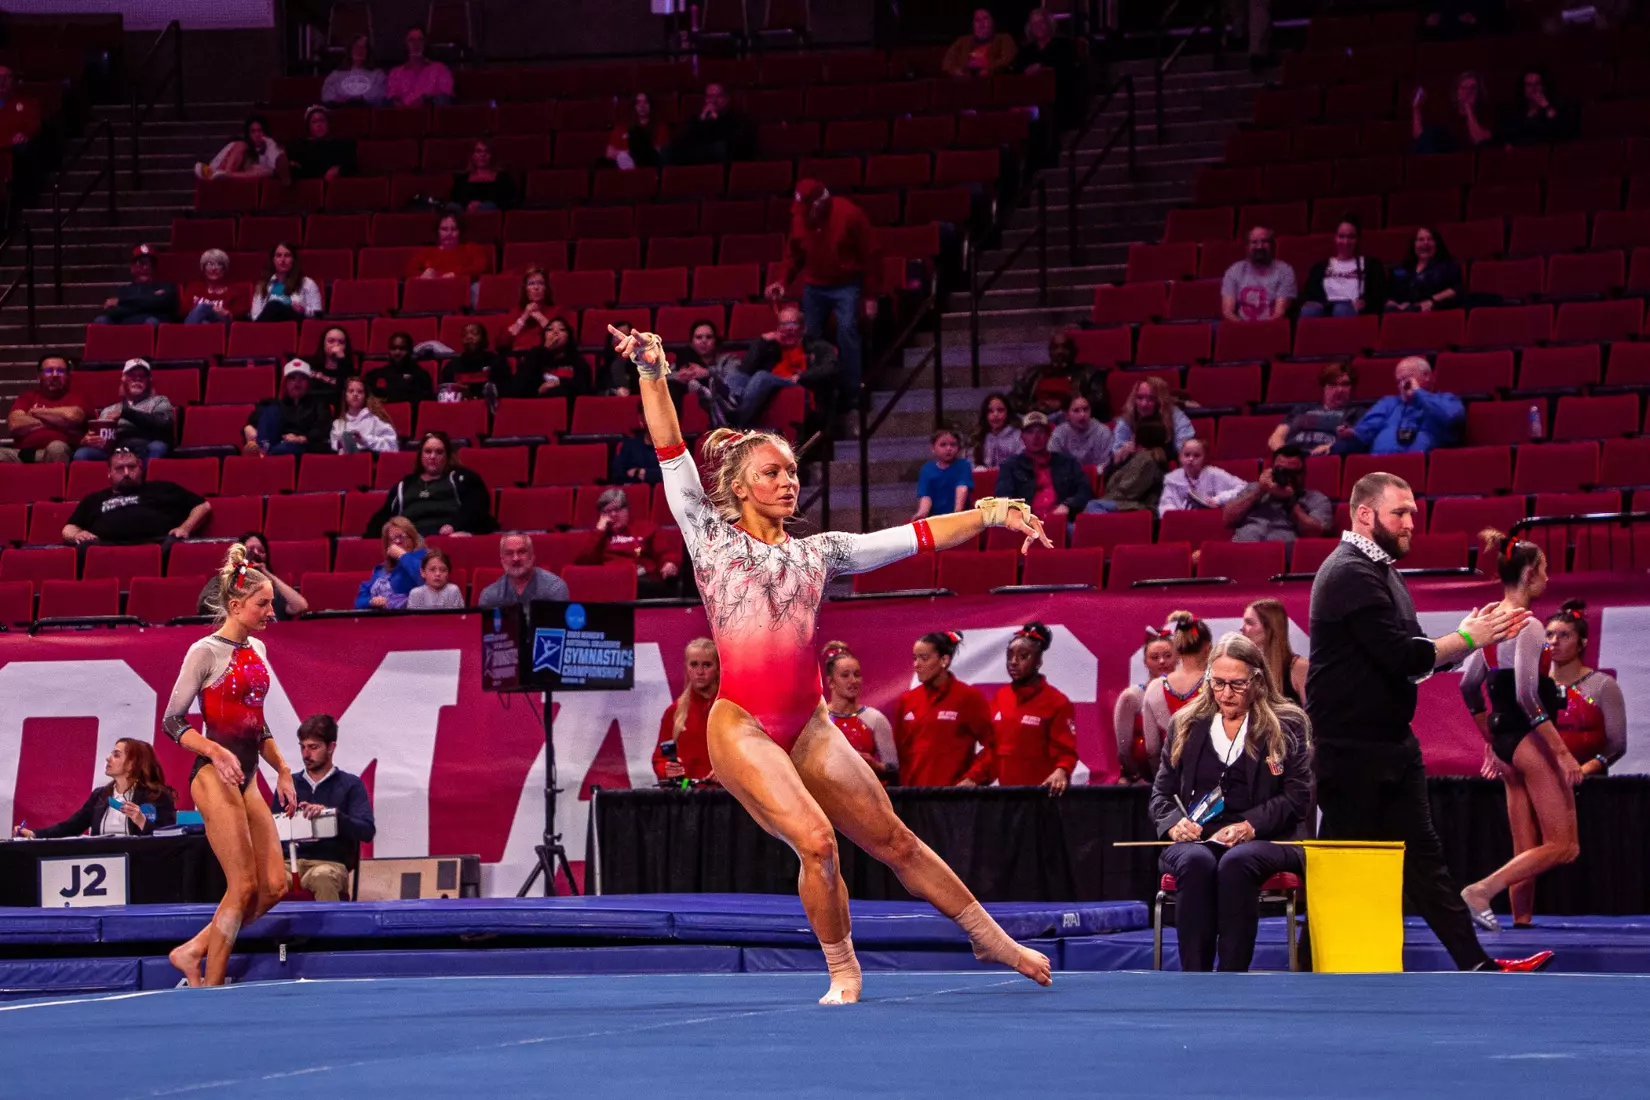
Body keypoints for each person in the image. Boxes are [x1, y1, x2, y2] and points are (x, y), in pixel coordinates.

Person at [622, 323, 1055, 1002]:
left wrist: (991, 512)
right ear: (740, 486)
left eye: (793, 472)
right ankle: (843, 970)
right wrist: (653, 370)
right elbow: (671, 448)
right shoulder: (707, 534)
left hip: (809, 723)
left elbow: (911, 537)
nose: (789, 481)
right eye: (774, 472)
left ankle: (988, 936)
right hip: (742, 726)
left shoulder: (817, 551)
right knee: (818, 843)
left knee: (896, 842)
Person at [1304, 471, 1552, 973]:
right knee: (1347, 865)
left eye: (1413, 512)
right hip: (1349, 751)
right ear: (1365, 515)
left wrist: (1464, 636)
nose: (1412, 522)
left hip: (1390, 743)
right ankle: (1322, 971)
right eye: (1401, 512)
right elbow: (1404, 655)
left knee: (1425, 862)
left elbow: (1416, 657)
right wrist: (1470, 638)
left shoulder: (1384, 571)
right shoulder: (1348, 572)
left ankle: (1476, 965)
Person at [161, 544, 297, 986]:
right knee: (242, 887)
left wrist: (282, 768)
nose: (270, 612)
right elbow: (172, 721)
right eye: (263, 604)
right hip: (213, 777)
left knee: (274, 886)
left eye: (271, 603)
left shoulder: (257, 647)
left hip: (248, 777)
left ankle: (193, 949)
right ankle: (211, 985)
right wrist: (215, 752)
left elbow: (256, 723)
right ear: (235, 606)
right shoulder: (204, 652)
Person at [1151, 633, 1311, 972]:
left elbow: (1297, 798)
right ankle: (1195, 979)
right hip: (1198, 839)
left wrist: (1250, 825)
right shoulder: (1186, 724)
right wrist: (1173, 823)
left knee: (1236, 862)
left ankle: (1231, 977)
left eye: (1237, 684)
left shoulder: (1287, 723)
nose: (1226, 693)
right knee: (1196, 862)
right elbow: (1161, 796)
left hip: (1269, 839)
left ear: (1257, 679)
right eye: (1218, 682)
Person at [1458, 531, 1580, 933]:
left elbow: (1468, 686)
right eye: (1544, 569)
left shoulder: (1492, 620)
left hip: (1506, 740)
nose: (1548, 577)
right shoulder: (1526, 625)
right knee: (1564, 846)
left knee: (1525, 843)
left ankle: (1521, 924)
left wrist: (1492, 741)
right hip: (1527, 738)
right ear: (1529, 573)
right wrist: (1561, 752)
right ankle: (1480, 890)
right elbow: (1527, 694)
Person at [766, 180, 879, 403]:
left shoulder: (850, 214)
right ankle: (815, 391)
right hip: (815, 284)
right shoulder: (800, 220)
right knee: (809, 335)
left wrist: (871, 295)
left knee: (847, 330)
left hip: (846, 283)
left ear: (820, 203)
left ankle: (852, 391)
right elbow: (795, 254)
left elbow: (871, 255)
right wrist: (782, 280)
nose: (803, 214)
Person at [960, 622, 1077, 794]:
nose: (1013, 662)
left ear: (1038, 661)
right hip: (1009, 799)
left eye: (1023, 657)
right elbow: (993, 751)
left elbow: (1066, 752)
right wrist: (972, 778)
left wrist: (1062, 771)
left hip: (1044, 799)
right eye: (1010, 656)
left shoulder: (1056, 702)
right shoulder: (1000, 698)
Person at [283, 715, 375, 902]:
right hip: (287, 863)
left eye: (313, 747)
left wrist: (331, 816)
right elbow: (269, 830)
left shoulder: (351, 785)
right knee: (264, 880)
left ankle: (330, 932)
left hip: (328, 863)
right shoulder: (288, 785)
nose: (306, 754)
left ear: (331, 747)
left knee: (323, 877)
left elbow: (366, 831)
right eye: (303, 747)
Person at [13, 738, 177, 838]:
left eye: (116, 755)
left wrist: (142, 822)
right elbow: (72, 826)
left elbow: (168, 838)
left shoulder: (156, 796)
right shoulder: (101, 795)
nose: (108, 758)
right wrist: (35, 834)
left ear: (133, 764)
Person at [894, 629, 994, 787]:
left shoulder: (967, 697)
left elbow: (993, 746)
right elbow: (900, 755)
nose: (916, 664)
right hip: (914, 799)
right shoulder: (907, 700)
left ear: (944, 660)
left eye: (924, 658)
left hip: (952, 799)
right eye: (915, 658)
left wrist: (973, 778)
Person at [62, 447, 209, 547]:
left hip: (159, 545)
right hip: (105, 550)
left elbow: (203, 506)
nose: (126, 473)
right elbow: (68, 529)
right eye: (120, 468)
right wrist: (78, 534)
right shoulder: (94, 499)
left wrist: (185, 528)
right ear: (109, 473)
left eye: (132, 467)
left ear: (141, 469)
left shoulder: (161, 488)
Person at [1546, 600, 1626, 778]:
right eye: (1549, 635)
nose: (1554, 642)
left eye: (1564, 636)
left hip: (1591, 784)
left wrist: (1584, 771)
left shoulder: (1603, 686)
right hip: (1545, 782)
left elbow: (1617, 744)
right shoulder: (1536, 684)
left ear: (1582, 643)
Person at [729, 301, 840, 428]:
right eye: (783, 324)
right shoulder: (771, 348)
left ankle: (733, 424)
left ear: (803, 328)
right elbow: (745, 369)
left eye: (793, 323)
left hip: (799, 384)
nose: (788, 328)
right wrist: (762, 341)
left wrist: (802, 376)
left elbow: (832, 367)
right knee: (734, 376)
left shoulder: (818, 347)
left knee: (762, 376)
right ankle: (730, 408)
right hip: (771, 387)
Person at [364, 430, 496, 537]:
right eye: (428, 451)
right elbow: (382, 518)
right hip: (412, 539)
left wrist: (456, 526)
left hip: (449, 537)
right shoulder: (405, 485)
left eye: (439, 452)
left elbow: (478, 510)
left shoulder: (462, 478)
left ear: (447, 455)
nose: (433, 456)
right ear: (420, 456)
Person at [1343, 356, 1463, 456]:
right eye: (1398, 381)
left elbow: (1451, 418)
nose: (1401, 385)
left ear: (1426, 376)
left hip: (1422, 469)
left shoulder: (1446, 400)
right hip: (1380, 469)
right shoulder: (1388, 403)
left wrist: (1418, 393)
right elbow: (1364, 431)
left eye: (1406, 380)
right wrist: (1351, 434)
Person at [574, 487, 683, 598]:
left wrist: (669, 563)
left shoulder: (646, 528)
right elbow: (582, 564)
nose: (613, 515)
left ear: (627, 509)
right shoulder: (599, 535)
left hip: (641, 581)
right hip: (611, 582)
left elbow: (665, 552)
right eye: (607, 511)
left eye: (617, 509)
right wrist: (598, 532)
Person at [995, 410, 1092, 526]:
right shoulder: (1010, 466)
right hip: (1026, 523)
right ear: (1022, 436)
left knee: (1079, 532)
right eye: (1030, 432)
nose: (1035, 437)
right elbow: (1003, 498)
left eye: (1040, 432)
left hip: (1062, 521)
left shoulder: (1067, 462)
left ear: (1048, 434)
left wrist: (1068, 506)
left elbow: (1085, 490)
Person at [1141, 611, 1213, 767]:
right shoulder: (1218, 682)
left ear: (1177, 649)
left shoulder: (1155, 687)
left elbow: (1152, 749)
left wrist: (1161, 780)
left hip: (1174, 774)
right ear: (1208, 648)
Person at [1222, 444, 1332, 544]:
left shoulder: (1316, 499)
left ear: (1303, 474)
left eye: (1293, 473)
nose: (1287, 476)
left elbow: (1316, 533)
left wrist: (1291, 502)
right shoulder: (1254, 489)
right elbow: (1227, 518)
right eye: (1281, 471)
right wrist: (1260, 490)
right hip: (1242, 550)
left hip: (1280, 558)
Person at [71, 358, 173, 463]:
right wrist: (89, 440)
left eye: (142, 376)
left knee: (158, 447)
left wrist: (126, 413)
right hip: (115, 451)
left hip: (145, 446)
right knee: (82, 454)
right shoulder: (110, 410)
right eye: (132, 375)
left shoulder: (159, 401)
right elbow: (101, 438)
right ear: (123, 379)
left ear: (149, 381)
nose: (137, 379)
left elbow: (164, 423)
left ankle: (145, 478)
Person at [822, 642, 897, 783]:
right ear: (830, 682)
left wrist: (875, 766)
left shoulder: (875, 719)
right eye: (845, 675)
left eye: (857, 675)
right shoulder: (819, 719)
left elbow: (893, 770)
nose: (853, 680)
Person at [1114, 627, 1181, 783]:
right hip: (1142, 781)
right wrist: (1139, 779)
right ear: (1145, 662)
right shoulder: (1132, 697)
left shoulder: (1186, 694)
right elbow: (1124, 751)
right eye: (1155, 657)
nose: (1162, 661)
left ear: (1178, 658)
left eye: (1168, 656)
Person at [193, 531, 308, 619]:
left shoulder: (273, 588)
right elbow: (205, 608)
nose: (256, 553)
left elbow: (300, 606)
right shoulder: (220, 581)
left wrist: (267, 573)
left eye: (261, 551)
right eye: (250, 549)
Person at [653, 638, 719, 783]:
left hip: (725, 798)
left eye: (707, 665)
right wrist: (666, 769)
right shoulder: (674, 711)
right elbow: (659, 758)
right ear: (686, 668)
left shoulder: (730, 710)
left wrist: (730, 772)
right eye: (694, 665)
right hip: (687, 797)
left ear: (718, 668)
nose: (700, 672)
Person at [2, 355, 88, 463]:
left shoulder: (77, 397)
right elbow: (15, 424)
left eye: (61, 371)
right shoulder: (26, 397)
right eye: (49, 371)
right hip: (23, 453)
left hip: (60, 452)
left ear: (68, 376)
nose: (55, 375)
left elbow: (74, 417)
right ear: (39, 376)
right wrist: (59, 421)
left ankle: (55, 479)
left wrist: (34, 412)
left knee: (56, 447)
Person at [1298, 218, 1386, 319]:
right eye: (1341, 236)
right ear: (1335, 238)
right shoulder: (1320, 267)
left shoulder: (1371, 265)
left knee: (1341, 309)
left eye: (1351, 237)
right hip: (1326, 309)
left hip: (1352, 311)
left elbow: (1378, 295)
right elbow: (1309, 295)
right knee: (1309, 310)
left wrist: (1364, 303)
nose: (1346, 242)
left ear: (1357, 240)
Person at [1267, 362, 1359, 456]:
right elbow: (1275, 438)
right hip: (1293, 457)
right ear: (1324, 387)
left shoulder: (1357, 413)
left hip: (1325, 458)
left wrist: (1332, 448)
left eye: (1345, 384)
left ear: (1352, 388)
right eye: (1332, 384)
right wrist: (1285, 455)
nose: (1339, 389)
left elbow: (1358, 441)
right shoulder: (1302, 410)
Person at [1085, 417, 1170, 514]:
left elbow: (1127, 492)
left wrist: (1104, 499)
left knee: (1094, 505)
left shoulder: (1146, 459)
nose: (1132, 436)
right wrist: (1118, 461)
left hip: (1141, 507)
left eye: (1135, 433)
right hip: (1130, 503)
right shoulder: (1140, 457)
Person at [248, 361, 332, 456]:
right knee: (270, 411)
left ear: (308, 383)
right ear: (286, 383)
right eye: (292, 378)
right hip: (278, 443)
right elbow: (254, 418)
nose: (297, 382)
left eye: (302, 378)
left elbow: (322, 427)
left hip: (306, 447)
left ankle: (266, 455)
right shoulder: (276, 404)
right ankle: (263, 451)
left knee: (286, 448)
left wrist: (301, 438)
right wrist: (248, 427)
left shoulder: (319, 404)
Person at [1015, 8, 1081, 125]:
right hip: (1031, 96)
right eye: (1034, 24)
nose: (1038, 26)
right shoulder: (1027, 50)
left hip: (1059, 96)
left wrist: (1041, 67)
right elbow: (1017, 69)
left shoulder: (1063, 44)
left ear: (1049, 23)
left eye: (1041, 22)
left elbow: (1066, 68)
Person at [1011, 331, 1095, 420]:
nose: (1060, 352)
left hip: (1071, 420)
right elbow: (1013, 400)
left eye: (1065, 347)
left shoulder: (1088, 374)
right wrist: (1033, 407)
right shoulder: (1034, 373)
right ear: (1050, 352)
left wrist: (1064, 403)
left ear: (1074, 351)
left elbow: (1098, 401)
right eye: (1055, 348)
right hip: (1038, 420)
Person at [669, 81, 756, 165]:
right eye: (710, 97)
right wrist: (701, 121)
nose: (713, 101)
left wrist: (717, 121)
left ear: (726, 99)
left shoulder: (737, 119)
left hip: (724, 161)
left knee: (719, 148)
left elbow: (737, 145)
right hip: (697, 161)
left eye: (718, 96)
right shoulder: (696, 119)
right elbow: (682, 142)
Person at [476, 531, 571, 607]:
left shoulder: (554, 588)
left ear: (532, 556)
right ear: (502, 559)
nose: (516, 558)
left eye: (522, 552)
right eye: (509, 553)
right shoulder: (490, 596)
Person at [1221, 226, 1296, 322]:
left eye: (1264, 241)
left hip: (1272, 329)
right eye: (1254, 242)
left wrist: (1259, 331)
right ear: (1247, 246)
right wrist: (1245, 329)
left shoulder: (1285, 271)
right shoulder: (1234, 271)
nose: (1259, 246)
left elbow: (1279, 313)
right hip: (1241, 327)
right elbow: (1228, 312)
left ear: (1272, 245)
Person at [1111, 375, 1195, 460]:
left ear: (1161, 401)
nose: (1144, 404)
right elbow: (1116, 456)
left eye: (1151, 399)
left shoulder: (1174, 414)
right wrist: (1124, 451)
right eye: (1140, 397)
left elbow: (1185, 446)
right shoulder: (1127, 418)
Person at [1241, 598, 1307, 704]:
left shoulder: (1299, 667)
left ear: (1271, 627)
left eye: (1250, 623)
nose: (1242, 628)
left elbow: (1315, 716)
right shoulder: (1246, 667)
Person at [1158, 437, 1246, 516]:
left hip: (1210, 519)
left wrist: (1219, 499)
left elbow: (1243, 487)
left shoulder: (1215, 473)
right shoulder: (1172, 479)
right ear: (1180, 457)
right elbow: (1165, 504)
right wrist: (1177, 515)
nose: (1191, 459)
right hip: (1182, 522)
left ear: (1205, 458)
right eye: (1187, 455)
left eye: (1196, 455)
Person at [95, 244, 179, 326]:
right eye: (142, 263)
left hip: (149, 324)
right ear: (132, 268)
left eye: (151, 264)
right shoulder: (123, 290)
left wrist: (122, 302)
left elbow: (161, 303)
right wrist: (148, 302)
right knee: (101, 320)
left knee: (152, 322)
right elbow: (111, 310)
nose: (146, 268)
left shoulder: (167, 287)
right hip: (126, 326)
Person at [1384, 227, 1462, 313]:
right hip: (1403, 310)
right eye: (1421, 240)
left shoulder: (1448, 266)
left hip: (1433, 310)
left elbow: (1455, 290)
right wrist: (1395, 304)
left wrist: (1432, 300)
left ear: (1437, 244)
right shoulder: (1401, 269)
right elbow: (1389, 294)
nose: (1425, 243)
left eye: (1430, 239)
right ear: (1414, 244)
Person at [355, 517, 427, 610]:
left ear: (412, 538)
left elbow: (424, 577)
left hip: (407, 618)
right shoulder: (381, 569)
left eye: (401, 537)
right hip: (380, 619)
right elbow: (358, 602)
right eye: (392, 539)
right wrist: (371, 601)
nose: (397, 541)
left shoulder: (424, 557)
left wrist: (402, 555)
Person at [1414, 71, 1494, 154]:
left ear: (1479, 92)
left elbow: (1479, 139)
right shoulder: (1449, 115)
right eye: (1463, 88)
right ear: (1457, 92)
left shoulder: (1486, 113)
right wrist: (1416, 108)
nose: (1467, 92)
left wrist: (1468, 108)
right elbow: (1420, 137)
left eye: (1472, 88)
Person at [407, 212, 490, 287]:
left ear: (460, 231)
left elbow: (480, 267)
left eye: (453, 229)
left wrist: (455, 274)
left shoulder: (472, 248)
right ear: (438, 231)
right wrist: (422, 275)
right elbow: (409, 271)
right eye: (444, 229)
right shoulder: (427, 251)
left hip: (462, 288)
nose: (449, 233)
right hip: (433, 290)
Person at [514, 315, 588, 397]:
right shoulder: (534, 357)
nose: (555, 332)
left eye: (562, 329)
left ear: (568, 337)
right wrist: (545, 350)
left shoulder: (577, 360)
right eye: (550, 329)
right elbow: (520, 386)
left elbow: (584, 387)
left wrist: (559, 382)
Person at [195, 115, 285, 182]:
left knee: (265, 172)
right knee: (241, 145)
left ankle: (226, 176)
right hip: (224, 169)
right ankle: (224, 174)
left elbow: (275, 166)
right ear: (248, 134)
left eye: (260, 131)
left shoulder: (271, 145)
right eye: (253, 132)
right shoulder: (241, 145)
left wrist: (269, 143)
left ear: (265, 131)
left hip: (252, 174)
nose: (257, 134)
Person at [250, 242, 323, 322]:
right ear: (273, 260)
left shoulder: (308, 283)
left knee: (275, 306)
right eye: (278, 256)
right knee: (273, 306)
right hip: (268, 327)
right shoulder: (263, 285)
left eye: (287, 255)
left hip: (296, 324)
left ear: (293, 259)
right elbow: (255, 317)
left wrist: (303, 310)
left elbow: (318, 315)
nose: (282, 260)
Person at [439, 321, 512, 400]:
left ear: (483, 338)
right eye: (465, 334)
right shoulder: (451, 366)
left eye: (474, 333)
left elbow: (506, 389)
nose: (469, 337)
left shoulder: (495, 361)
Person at [1500, 69, 1574, 147]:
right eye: (1529, 85)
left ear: (1543, 87)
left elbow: (1563, 132)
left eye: (1537, 84)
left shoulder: (1557, 106)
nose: (1533, 88)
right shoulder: (1515, 112)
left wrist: (1546, 105)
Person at [386, 25, 453, 108]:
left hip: (431, 117)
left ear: (425, 43)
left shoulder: (440, 69)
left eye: (420, 40)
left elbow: (446, 99)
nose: (416, 44)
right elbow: (391, 101)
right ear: (405, 44)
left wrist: (425, 101)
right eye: (411, 40)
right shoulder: (395, 73)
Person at [914, 428, 974, 520]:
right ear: (933, 449)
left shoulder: (963, 465)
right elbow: (925, 496)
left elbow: (962, 489)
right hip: (936, 519)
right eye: (943, 445)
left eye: (953, 445)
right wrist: (922, 513)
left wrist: (956, 514)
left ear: (958, 448)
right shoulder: (927, 469)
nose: (948, 448)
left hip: (959, 516)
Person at [285, 105, 356, 182]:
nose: (319, 125)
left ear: (328, 124)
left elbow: (351, 166)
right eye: (314, 122)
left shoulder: (341, 145)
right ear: (308, 126)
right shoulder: (298, 146)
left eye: (322, 121)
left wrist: (338, 169)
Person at [365, 331, 436, 406]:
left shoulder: (421, 376)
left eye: (402, 349)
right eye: (393, 348)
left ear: (410, 350)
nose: (397, 352)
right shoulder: (376, 375)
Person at [330, 377, 399, 455]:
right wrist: (340, 444)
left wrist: (364, 440)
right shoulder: (338, 424)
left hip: (368, 460)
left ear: (365, 396)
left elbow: (393, 446)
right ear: (345, 395)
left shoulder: (375, 420)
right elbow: (334, 446)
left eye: (360, 392)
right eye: (351, 391)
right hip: (344, 463)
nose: (355, 394)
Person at [182, 249, 252, 324]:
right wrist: (211, 309)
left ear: (224, 269)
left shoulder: (235, 290)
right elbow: (184, 310)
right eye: (209, 264)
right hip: (201, 324)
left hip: (223, 324)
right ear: (203, 268)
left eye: (219, 264)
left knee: (202, 308)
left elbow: (241, 311)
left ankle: (186, 334)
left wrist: (227, 312)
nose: (214, 268)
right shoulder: (194, 287)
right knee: (204, 320)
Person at [943, 9, 1018, 77]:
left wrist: (987, 67)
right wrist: (959, 71)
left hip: (994, 82)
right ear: (973, 24)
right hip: (964, 83)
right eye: (977, 20)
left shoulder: (1004, 39)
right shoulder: (962, 41)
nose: (981, 23)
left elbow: (1008, 60)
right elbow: (947, 62)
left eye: (985, 18)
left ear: (992, 21)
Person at [606, 91, 670, 170]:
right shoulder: (622, 127)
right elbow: (609, 152)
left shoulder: (660, 127)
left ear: (651, 105)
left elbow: (661, 151)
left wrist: (634, 155)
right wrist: (624, 155)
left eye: (645, 102)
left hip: (649, 165)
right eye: (638, 103)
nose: (642, 106)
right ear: (634, 106)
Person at [449, 139, 517, 213]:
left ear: (492, 156)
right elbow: (455, 199)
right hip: (464, 214)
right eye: (479, 151)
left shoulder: (503, 178)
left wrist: (480, 205)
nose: (483, 155)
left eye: (487, 152)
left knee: (487, 206)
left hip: (490, 215)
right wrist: (468, 205)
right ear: (473, 156)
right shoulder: (462, 179)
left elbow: (510, 201)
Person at [501, 267, 558, 354]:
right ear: (525, 289)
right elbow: (503, 342)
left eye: (541, 283)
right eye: (531, 284)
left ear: (546, 288)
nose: (536, 287)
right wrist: (524, 316)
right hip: (519, 357)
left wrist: (539, 316)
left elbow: (558, 337)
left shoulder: (556, 311)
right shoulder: (515, 312)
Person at [321, 34, 388, 106]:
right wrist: (338, 99)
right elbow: (326, 95)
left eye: (363, 48)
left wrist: (360, 100)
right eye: (356, 47)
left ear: (368, 52)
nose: (359, 51)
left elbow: (381, 96)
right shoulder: (336, 74)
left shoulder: (378, 74)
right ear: (350, 50)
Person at [1050, 395, 1112, 469]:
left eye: (1086, 409)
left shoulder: (1103, 433)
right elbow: (1053, 464)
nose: (1082, 415)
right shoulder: (1060, 433)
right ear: (1066, 415)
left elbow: (1106, 466)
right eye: (1076, 410)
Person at [610, 407, 663, 486]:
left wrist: (644, 473)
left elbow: (676, 475)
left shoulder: (673, 446)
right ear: (641, 421)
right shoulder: (630, 445)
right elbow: (618, 473)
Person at [305, 325, 360, 397]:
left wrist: (341, 361)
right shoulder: (310, 367)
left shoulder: (352, 373)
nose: (336, 345)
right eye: (331, 341)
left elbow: (342, 392)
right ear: (323, 344)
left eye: (341, 342)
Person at [973, 392, 1023, 469]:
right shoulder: (980, 437)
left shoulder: (1019, 436)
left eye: (1000, 410)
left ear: (1008, 412)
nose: (995, 414)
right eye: (990, 411)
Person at [0, 65, 42, 150]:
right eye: (0, 77)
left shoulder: (27, 103)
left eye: (6, 77)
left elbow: (33, 124)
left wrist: (23, 133)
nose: (2, 81)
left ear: (13, 81)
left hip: (14, 148)